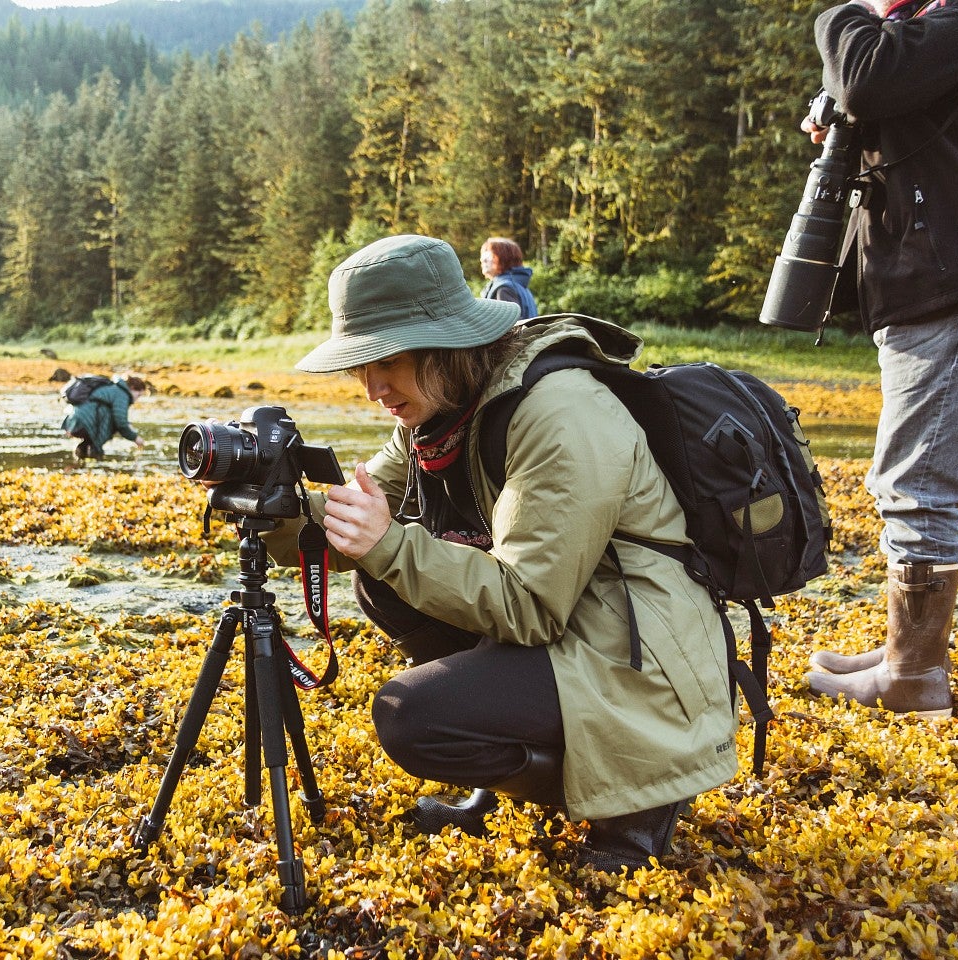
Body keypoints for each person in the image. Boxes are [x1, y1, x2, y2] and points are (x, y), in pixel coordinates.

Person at [263, 234, 736, 869]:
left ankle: (636, 800)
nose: (372, 387)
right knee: (380, 580)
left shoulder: (561, 411)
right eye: (360, 367)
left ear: (445, 343)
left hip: (642, 649)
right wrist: (268, 506)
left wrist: (387, 544)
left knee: (412, 715)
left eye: (388, 361)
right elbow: (354, 519)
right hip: (579, 618)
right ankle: (519, 767)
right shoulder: (438, 410)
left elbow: (529, 603)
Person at [799, 0, 958, 715]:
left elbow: (867, 76)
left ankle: (913, 679)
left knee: (918, 485)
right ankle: (909, 652)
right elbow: (878, 92)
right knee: (915, 475)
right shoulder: (957, 32)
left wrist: (848, 15)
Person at [62, 374, 148, 464]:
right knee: (95, 449)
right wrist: (135, 438)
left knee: (87, 446)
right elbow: (121, 422)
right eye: (138, 395)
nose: (137, 399)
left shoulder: (113, 388)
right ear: (133, 388)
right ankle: (93, 463)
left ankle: (79, 462)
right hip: (84, 423)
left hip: (73, 421)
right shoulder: (122, 394)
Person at [478, 237, 540, 320]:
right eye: (484, 254)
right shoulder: (519, 284)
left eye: (490, 255)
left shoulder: (504, 289)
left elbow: (511, 328)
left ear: (505, 259)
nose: (483, 259)